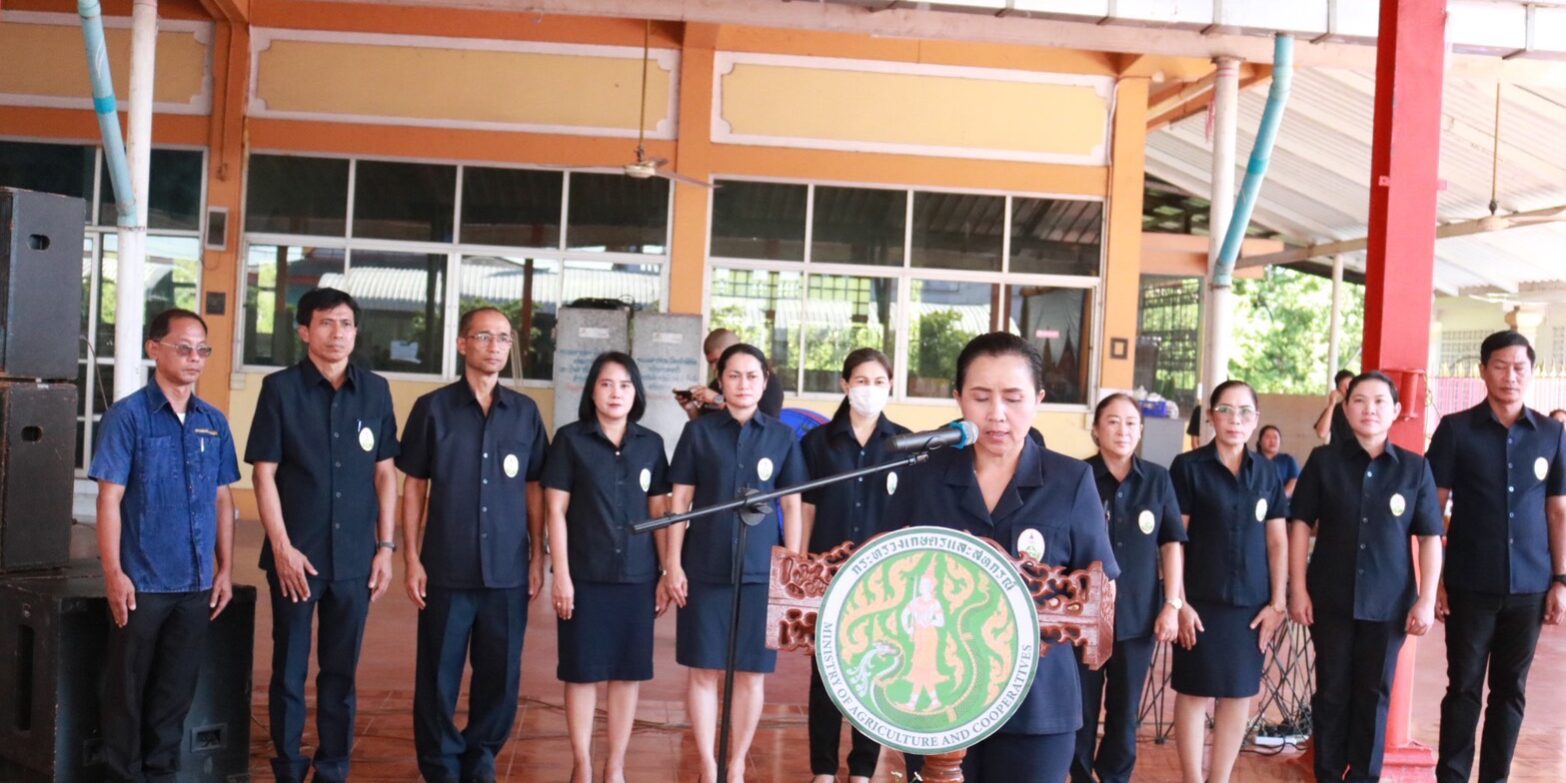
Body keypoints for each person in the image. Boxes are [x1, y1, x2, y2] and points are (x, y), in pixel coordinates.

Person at [881, 332, 1120, 782]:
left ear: (1038, 400)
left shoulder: (1070, 480)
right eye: (980, 397)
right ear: (958, 398)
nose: (996, 414)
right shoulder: (923, 476)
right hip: (941, 697)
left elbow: (1100, 591)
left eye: (1013, 398)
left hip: (1039, 703)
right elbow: (887, 576)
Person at [246, 288, 400, 783]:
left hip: (355, 557)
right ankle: (289, 768)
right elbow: (264, 474)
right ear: (304, 331)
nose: (338, 333)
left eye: (346, 324)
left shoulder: (375, 391)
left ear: (356, 332)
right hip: (297, 557)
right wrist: (282, 548)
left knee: (341, 671)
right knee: (290, 669)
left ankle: (333, 767)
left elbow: (385, 474)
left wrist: (385, 548)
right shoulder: (280, 389)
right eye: (327, 323)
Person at [399, 307, 549, 783]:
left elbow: (534, 487)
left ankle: (480, 759)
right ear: (462, 344)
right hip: (446, 567)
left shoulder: (524, 413)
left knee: (500, 677)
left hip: (507, 570)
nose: (495, 346)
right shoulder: (432, 408)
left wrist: (539, 554)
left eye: (503, 338)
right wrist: (411, 558)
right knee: (437, 677)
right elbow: (414, 486)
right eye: (484, 336)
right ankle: (441, 767)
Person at [89, 308, 239, 783]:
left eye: (202, 350)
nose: (195, 358)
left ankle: (161, 774)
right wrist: (114, 573)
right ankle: (123, 776)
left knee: (175, 693)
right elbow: (109, 499)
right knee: (127, 692)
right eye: (184, 348)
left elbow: (222, 498)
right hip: (142, 584)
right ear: (154, 349)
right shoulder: (127, 417)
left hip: (195, 586)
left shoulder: (213, 421)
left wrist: (224, 569)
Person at [1288, 371, 1444, 783]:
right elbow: (1300, 525)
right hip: (1330, 598)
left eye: (1379, 402)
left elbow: (1430, 537)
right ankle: (1327, 773)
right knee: (1332, 691)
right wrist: (1298, 588)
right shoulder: (1323, 462)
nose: (1369, 409)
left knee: (1374, 695)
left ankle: (1363, 776)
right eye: (1359, 400)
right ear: (1345, 408)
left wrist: (1427, 599)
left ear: (1395, 411)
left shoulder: (1414, 469)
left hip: (1389, 603)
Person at [662, 343, 806, 783]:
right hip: (703, 567)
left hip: (760, 572)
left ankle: (737, 762)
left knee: (751, 674)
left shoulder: (781, 437)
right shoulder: (699, 433)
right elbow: (680, 502)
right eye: (734, 375)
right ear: (720, 381)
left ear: (765, 382)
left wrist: (790, 569)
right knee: (703, 670)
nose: (743, 384)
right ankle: (708, 765)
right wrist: (673, 564)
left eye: (752, 376)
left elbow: (792, 505)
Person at [1430, 330, 1566, 783]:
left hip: (1530, 587)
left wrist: (1561, 580)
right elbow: (1433, 510)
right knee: (1463, 688)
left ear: (1532, 372)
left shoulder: (1552, 433)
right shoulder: (1455, 429)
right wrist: (1435, 582)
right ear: (1483, 370)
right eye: (1501, 366)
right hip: (1468, 583)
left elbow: (1558, 512)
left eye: (1519, 367)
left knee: (1510, 692)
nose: (1511, 376)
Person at [544, 352, 672, 783]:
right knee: (581, 672)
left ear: (636, 393)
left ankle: (615, 765)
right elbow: (555, 511)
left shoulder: (651, 444)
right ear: (592, 391)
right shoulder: (569, 440)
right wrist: (561, 575)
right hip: (584, 575)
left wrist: (664, 572)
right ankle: (581, 763)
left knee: (626, 673)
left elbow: (658, 512)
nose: (616, 393)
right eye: (606, 384)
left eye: (625, 385)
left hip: (637, 577)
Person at [1168, 380, 1289, 783]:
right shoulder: (1188, 468)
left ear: (1255, 420)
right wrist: (1178, 602)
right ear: (1211, 417)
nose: (1235, 419)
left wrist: (1277, 603)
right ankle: (1192, 779)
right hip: (1199, 602)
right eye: (1226, 410)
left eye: (1244, 412)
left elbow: (1277, 541)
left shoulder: (1267, 472)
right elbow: (1174, 540)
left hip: (1250, 606)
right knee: (1194, 691)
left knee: (1239, 693)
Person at [798, 348, 909, 783]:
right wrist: (803, 566)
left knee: (874, 670)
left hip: (882, 577)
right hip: (827, 571)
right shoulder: (817, 442)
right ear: (845, 385)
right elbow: (805, 507)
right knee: (825, 671)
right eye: (861, 381)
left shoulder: (904, 443)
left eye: (879, 382)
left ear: (890, 386)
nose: (870, 390)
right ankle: (823, 768)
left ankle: (863, 768)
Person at [1072, 393, 1185, 783]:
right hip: (1084, 616)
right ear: (1096, 429)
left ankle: (1115, 776)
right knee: (1082, 708)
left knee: (1124, 710)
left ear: (1141, 431)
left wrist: (1172, 603)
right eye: (1113, 421)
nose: (1123, 430)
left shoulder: (1158, 479)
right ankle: (1080, 775)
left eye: (1131, 423)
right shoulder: (1078, 477)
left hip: (1138, 615)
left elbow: (1171, 543)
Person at [679, 328, 784, 420]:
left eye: (717, 360)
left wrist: (716, 399)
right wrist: (691, 409)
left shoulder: (767, 383)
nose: (714, 367)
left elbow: (762, 426)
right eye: (711, 363)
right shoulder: (717, 383)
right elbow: (703, 428)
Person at [1257, 424, 1302, 496]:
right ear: (1260, 441)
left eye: (1275, 437)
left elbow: (1294, 481)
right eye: (1268, 437)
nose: (1272, 441)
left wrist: (1281, 498)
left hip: (1283, 500)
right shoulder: (1253, 460)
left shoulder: (1288, 460)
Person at [1313, 369, 1355, 444]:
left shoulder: (1364, 408)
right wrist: (1331, 404)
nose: (1347, 388)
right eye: (1343, 386)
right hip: (1337, 449)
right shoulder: (1334, 409)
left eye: (1350, 384)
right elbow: (1321, 434)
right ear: (1338, 390)